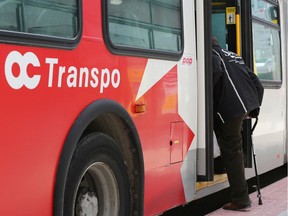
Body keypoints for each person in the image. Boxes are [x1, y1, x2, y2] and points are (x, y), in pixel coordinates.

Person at [212, 37, 264, 211]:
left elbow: (216, 74)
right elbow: (257, 83)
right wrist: (253, 109)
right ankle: (219, 166)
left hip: (229, 110)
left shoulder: (212, 54)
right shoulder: (233, 55)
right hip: (242, 108)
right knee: (232, 149)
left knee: (232, 151)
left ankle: (241, 200)